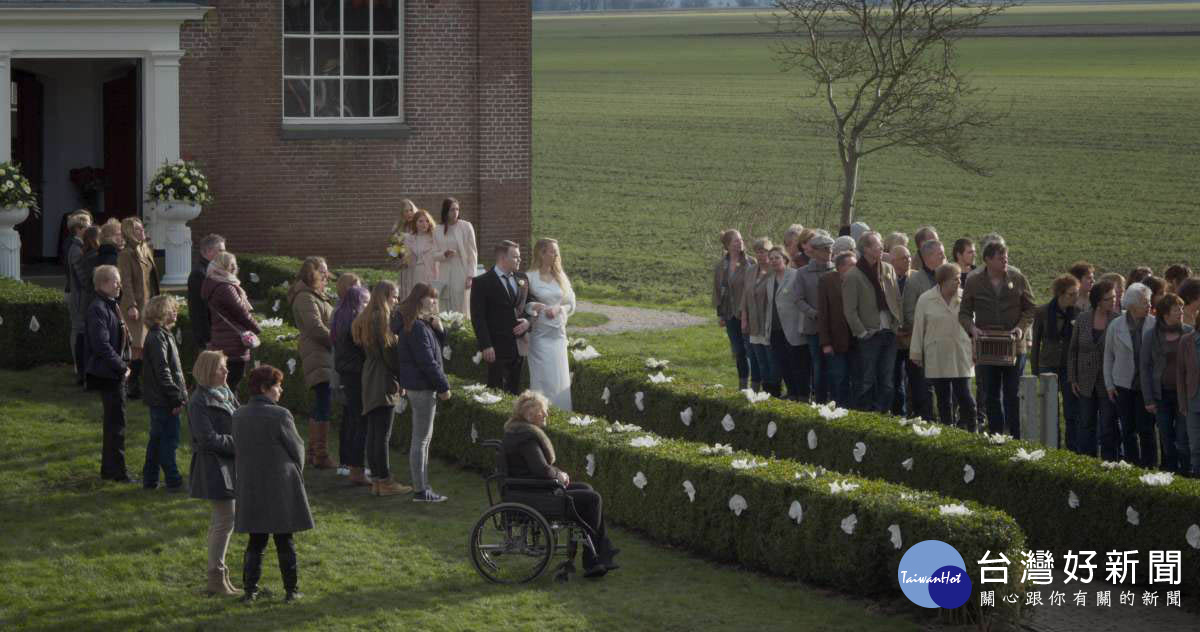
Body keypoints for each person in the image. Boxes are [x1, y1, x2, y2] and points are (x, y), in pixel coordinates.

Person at [503, 390, 619, 577]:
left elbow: (539, 469)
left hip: (530, 489)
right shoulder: (526, 439)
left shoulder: (519, 433)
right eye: (543, 411)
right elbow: (541, 470)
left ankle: (598, 552)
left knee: (587, 489)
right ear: (530, 414)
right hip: (536, 495)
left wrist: (558, 474)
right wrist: (560, 476)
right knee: (593, 499)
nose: (547, 414)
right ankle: (594, 556)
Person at [233, 365, 314, 603]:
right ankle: (291, 591)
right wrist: (297, 470)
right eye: (277, 385)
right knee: (284, 539)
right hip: (280, 483)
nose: (280, 390)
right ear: (264, 388)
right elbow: (297, 449)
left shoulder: (238, 415)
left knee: (256, 541)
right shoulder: (280, 415)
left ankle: (250, 591)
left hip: (251, 483)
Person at [959, 241, 1035, 438]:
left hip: (1014, 347)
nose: (1005, 260)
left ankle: (1016, 436)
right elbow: (964, 313)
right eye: (1001, 258)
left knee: (1012, 394)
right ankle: (996, 435)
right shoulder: (974, 281)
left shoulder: (1017, 278)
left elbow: (1031, 308)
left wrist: (1020, 329)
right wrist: (972, 329)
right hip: (987, 347)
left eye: (1006, 257)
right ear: (987, 260)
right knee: (991, 394)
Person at [187, 350, 242, 597]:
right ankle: (216, 577)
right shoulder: (199, 400)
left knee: (222, 522)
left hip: (227, 464)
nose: (226, 372)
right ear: (209, 370)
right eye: (221, 367)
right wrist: (240, 443)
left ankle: (219, 576)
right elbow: (207, 439)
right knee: (224, 521)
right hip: (214, 465)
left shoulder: (226, 393)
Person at [353, 281, 413, 496]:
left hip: (370, 375)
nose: (396, 300)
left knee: (374, 433)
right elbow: (390, 354)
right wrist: (402, 377)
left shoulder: (367, 317)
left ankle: (378, 481)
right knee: (382, 434)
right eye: (394, 296)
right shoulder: (383, 319)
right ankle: (385, 480)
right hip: (382, 378)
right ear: (385, 296)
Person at [394, 283, 453, 502]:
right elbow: (428, 362)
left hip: (418, 387)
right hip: (422, 388)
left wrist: (439, 329)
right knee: (421, 440)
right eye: (432, 298)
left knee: (422, 439)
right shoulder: (416, 327)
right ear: (421, 300)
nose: (435, 302)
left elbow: (434, 350)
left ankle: (422, 486)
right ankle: (421, 489)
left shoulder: (418, 324)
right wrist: (443, 386)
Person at [85, 265, 135, 483]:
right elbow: (101, 345)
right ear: (104, 284)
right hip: (110, 374)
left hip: (114, 371)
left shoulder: (110, 304)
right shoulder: (98, 308)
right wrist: (122, 367)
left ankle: (110, 469)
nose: (119, 285)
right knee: (117, 425)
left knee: (115, 423)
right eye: (115, 281)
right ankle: (117, 472)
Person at [910, 263, 976, 428]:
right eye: (956, 279)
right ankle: (947, 431)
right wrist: (916, 353)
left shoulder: (965, 298)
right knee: (943, 399)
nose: (959, 282)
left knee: (965, 396)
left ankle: (973, 428)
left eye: (960, 278)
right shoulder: (925, 299)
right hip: (937, 354)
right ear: (943, 281)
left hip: (961, 354)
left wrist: (977, 350)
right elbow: (919, 327)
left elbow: (974, 326)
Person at [842, 231, 901, 412]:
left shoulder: (888, 268)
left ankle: (884, 414)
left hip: (889, 333)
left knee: (887, 379)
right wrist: (862, 332)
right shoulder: (853, 275)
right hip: (869, 334)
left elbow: (896, 298)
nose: (881, 246)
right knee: (867, 379)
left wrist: (896, 324)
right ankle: (865, 414)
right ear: (866, 249)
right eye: (877, 244)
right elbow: (850, 310)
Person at [289, 257, 336, 469]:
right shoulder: (305, 297)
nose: (327, 275)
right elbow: (316, 328)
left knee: (322, 401)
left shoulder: (312, 294)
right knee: (323, 401)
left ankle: (314, 452)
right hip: (317, 352)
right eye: (323, 271)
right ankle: (320, 454)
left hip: (320, 352)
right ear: (312, 272)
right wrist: (338, 341)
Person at [1105, 282, 1157, 467]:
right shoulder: (1116, 325)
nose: (1149, 305)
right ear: (1133, 305)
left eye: (1149, 301)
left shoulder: (1154, 324)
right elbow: (1108, 357)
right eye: (1145, 302)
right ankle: (1132, 465)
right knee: (1127, 429)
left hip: (1146, 387)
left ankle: (1150, 466)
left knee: (1147, 429)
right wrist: (1109, 385)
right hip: (1123, 385)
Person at [470, 241, 531, 395]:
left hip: (519, 346)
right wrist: (485, 345)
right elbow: (478, 318)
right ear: (503, 258)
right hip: (496, 347)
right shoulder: (482, 282)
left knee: (515, 392)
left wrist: (528, 322)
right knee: (496, 392)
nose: (520, 260)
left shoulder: (522, 279)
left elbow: (529, 305)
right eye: (516, 257)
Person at [141, 295, 187, 491]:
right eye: (171, 309)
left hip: (160, 398)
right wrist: (176, 397)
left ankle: (150, 480)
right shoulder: (158, 337)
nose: (175, 313)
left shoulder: (160, 335)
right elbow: (164, 371)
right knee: (169, 440)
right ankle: (173, 480)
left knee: (157, 440)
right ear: (160, 313)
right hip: (164, 399)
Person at [1068, 280, 1119, 458]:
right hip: (1085, 381)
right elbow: (1073, 350)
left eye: (1114, 297)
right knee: (1086, 423)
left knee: (1107, 425)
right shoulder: (1083, 319)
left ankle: (1108, 461)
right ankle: (1086, 461)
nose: (1113, 301)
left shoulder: (1117, 320)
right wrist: (1073, 378)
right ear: (1098, 301)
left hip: (1108, 383)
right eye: (1108, 298)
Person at [525, 238, 577, 410]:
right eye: (552, 251)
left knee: (558, 375)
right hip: (539, 335)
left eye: (556, 252)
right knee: (542, 376)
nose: (556, 255)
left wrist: (559, 308)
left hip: (557, 335)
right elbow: (523, 303)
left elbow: (571, 303)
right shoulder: (530, 277)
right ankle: (539, 410)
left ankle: (561, 411)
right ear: (541, 253)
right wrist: (534, 306)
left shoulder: (560, 277)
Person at [1143, 293, 1191, 473]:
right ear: (1165, 313)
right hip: (1161, 394)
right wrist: (1148, 398)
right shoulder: (1151, 335)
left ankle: (1185, 472)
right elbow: (1145, 366)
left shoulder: (1188, 332)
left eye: (1181, 307)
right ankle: (1171, 471)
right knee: (1166, 436)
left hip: (1183, 394)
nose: (1180, 312)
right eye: (1176, 309)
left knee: (1183, 436)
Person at [1031, 274, 1080, 450]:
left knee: (1071, 411)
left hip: (1069, 366)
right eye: (1071, 294)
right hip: (1048, 364)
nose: (1075, 297)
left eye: (1076, 293)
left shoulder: (1078, 313)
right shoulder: (1043, 312)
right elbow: (1036, 343)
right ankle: (1052, 446)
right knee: (1050, 409)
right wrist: (1036, 369)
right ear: (1060, 294)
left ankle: (1072, 448)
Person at [203, 252, 260, 391]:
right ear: (222, 266)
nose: (234, 267)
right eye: (230, 264)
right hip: (233, 341)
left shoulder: (212, 282)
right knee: (233, 383)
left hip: (221, 338)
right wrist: (257, 328)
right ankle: (231, 412)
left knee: (226, 383)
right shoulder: (225, 287)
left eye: (235, 264)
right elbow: (241, 312)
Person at [116, 218, 160, 400]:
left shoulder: (145, 250)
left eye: (142, 228)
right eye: (137, 229)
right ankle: (130, 384)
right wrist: (131, 304)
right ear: (128, 232)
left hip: (150, 304)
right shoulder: (126, 254)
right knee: (137, 347)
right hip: (135, 306)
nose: (142, 231)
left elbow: (152, 279)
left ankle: (137, 383)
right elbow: (125, 281)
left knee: (145, 346)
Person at [332, 278, 370, 485]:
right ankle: (357, 468)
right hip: (356, 375)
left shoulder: (341, 317)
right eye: (365, 302)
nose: (367, 306)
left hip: (348, 374)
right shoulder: (354, 323)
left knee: (354, 420)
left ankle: (353, 466)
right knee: (360, 422)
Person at [713, 229, 754, 390]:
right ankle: (742, 385)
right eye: (736, 241)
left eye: (741, 239)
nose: (740, 243)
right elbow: (717, 291)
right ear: (728, 245)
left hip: (747, 314)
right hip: (729, 313)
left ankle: (755, 384)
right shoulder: (721, 266)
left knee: (749, 350)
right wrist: (720, 314)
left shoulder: (750, 263)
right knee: (738, 351)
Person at [796, 233, 834, 402]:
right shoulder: (803, 273)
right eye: (826, 249)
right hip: (814, 328)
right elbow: (798, 299)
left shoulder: (835, 270)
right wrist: (814, 314)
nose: (829, 252)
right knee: (819, 366)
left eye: (831, 248)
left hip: (835, 328)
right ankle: (819, 401)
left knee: (835, 366)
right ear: (816, 251)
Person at [765, 246, 808, 400]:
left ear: (785, 259)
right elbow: (770, 305)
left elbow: (803, 300)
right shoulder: (770, 280)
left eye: (777, 257)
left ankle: (803, 396)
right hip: (776, 330)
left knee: (798, 365)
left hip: (794, 328)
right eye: (771, 259)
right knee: (784, 364)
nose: (774, 261)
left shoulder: (795, 275)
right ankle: (792, 393)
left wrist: (802, 325)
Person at [741, 238, 778, 395]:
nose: (760, 255)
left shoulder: (775, 271)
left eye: (763, 251)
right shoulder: (751, 271)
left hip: (769, 323)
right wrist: (744, 318)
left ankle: (774, 392)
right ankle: (763, 392)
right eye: (757, 252)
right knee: (759, 360)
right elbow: (745, 296)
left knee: (772, 361)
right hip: (754, 323)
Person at [820, 251, 856, 407]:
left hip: (857, 338)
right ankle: (840, 409)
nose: (856, 268)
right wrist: (825, 342)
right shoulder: (827, 281)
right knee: (839, 377)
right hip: (836, 340)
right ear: (841, 267)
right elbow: (823, 312)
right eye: (852, 265)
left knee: (857, 378)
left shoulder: (859, 280)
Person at [434, 197, 479, 314]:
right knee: (444, 304)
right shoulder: (437, 229)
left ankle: (460, 330)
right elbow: (434, 254)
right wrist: (444, 254)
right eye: (452, 210)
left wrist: (471, 276)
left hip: (461, 270)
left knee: (460, 304)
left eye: (457, 209)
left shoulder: (466, 226)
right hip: (444, 272)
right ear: (445, 211)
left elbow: (472, 253)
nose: (455, 213)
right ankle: (445, 330)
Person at [65, 211, 93, 384]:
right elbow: (82, 277)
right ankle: (78, 364)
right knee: (78, 329)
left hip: (81, 295)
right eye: (87, 226)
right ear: (78, 228)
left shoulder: (80, 246)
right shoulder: (76, 249)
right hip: (78, 297)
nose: (89, 229)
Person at [188, 234, 226, 351]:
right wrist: (206, 339)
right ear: (209, 251)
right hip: (209, 338)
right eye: (220, 251)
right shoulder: (200, 274)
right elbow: (199, 309)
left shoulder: (212, 270)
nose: (224, 254)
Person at [889, 244, 913, 416]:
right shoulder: (886, 280)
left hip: (913, 337)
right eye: (904, 258)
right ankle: (899, 413)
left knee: (916, 379)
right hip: (893, 338)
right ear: (893, 261)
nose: (909, 260)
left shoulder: (915, 279)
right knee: (895, 377)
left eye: (909, 256)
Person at [1178, 310, 1200, 475]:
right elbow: (1180, 374)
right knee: (1195, 444)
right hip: (1193, 400)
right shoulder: (1187, 341)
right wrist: (1182, 402)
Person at [408, 208, 443, 291]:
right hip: (417, 274)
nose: (424, 224)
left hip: (433, 273)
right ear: (415, 223)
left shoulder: (435, 237)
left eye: (427, 221)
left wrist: (437, 277)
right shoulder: (410, 239)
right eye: (421, 221)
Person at [392, 199, 419, 299]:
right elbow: (393, 252)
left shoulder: (419, 226)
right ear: (402, 213)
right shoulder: (398, 228)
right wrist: (400, 258)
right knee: (405, 294)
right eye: (406, 211)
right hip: (404, 267)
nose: (409, 213)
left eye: (411, 210)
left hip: (418, 265)